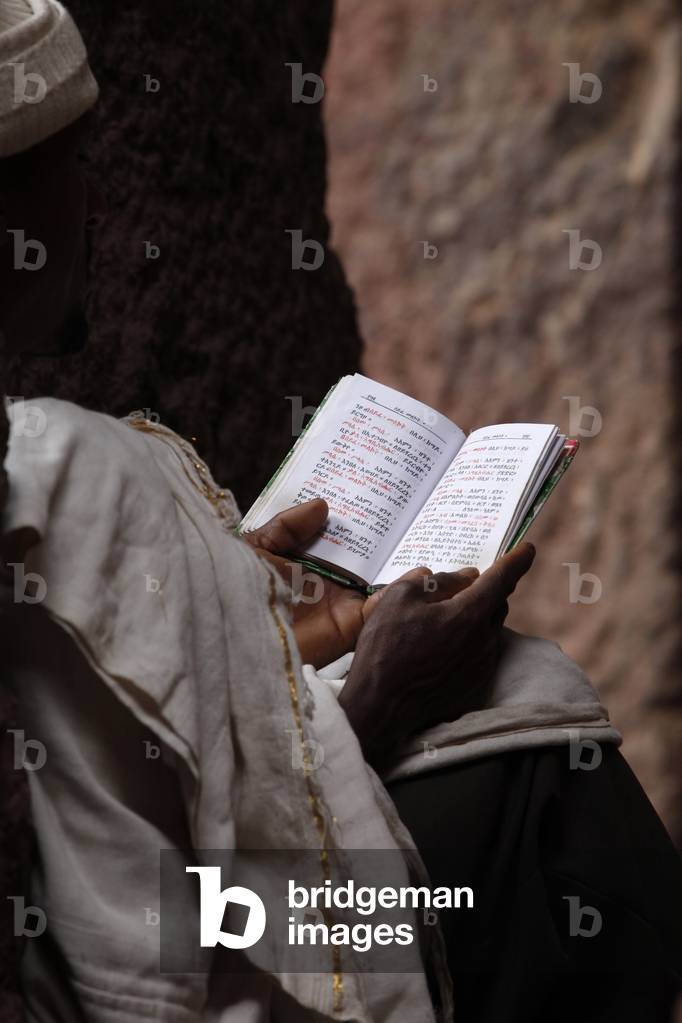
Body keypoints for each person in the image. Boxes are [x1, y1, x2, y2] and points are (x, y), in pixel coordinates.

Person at [1, 3, 680, 1022]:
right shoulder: (56, 467)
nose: (92, 205)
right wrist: (375, 705)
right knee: (536, 758)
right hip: (195, 946)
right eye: (70, 165)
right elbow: (129, 893)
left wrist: (234, 599)